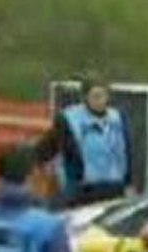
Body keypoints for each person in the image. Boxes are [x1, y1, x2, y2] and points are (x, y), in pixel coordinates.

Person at [35, 73, 133, 209]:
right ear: (85, 97)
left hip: (115, 186)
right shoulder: (69, 119)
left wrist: (128, 182)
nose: (100, 101)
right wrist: (43, 165)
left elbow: (127, 151)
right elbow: (47, 147)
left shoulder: (118, 118)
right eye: (95, 96)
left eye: (103, 96)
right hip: (82, 189)